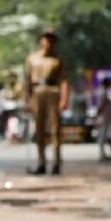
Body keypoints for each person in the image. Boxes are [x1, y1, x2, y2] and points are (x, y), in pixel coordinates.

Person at [23, 29, 69, 175]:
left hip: (52, 91)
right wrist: (27, 100)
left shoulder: (57, 60)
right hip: (37, 93)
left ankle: (56, 162)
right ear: (40, 41)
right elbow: (26, 81)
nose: (48, 43)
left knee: (55, 129)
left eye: (51, 40)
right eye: (45, 39)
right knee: (39, 130)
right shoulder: (32, 59)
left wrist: (64, 99)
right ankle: (41, 162)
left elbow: (64, 81)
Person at [95, 78, 111, 162]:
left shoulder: (105, 93)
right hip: (104, 117)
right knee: (102, 136)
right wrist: (97, 114)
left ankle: (103, 153)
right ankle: (102, 154)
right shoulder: (103, 93)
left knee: (104, 135)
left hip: (106, 117)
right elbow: (101, 106)